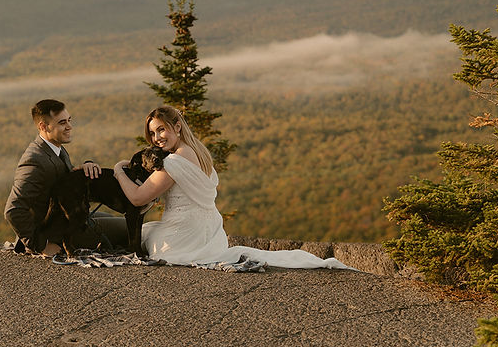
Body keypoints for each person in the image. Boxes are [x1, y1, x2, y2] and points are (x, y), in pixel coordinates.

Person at [112, 105, 352, 269]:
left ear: (177, 126)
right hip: (212, 234)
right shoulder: (198, 152)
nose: (156, 138)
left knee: (130, 234)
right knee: (141, 230)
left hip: (184, 239)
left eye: (161, 129)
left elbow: (137, 198)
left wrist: (118, 170)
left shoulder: (173, 162)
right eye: (152, 133)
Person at [4, 99, 127, 256]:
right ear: (43, 126)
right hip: (55, 232)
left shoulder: (55, 149)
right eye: (62, 122)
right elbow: (13, 210)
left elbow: (61, 181)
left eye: (69, 120)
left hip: (67, 216)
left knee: (109, 216)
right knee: (130, 228)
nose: (69, 126)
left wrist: (83, 168)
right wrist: (41, 245)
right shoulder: (34, 161)